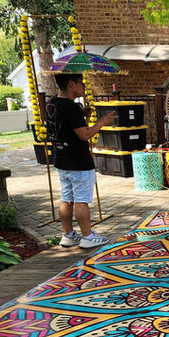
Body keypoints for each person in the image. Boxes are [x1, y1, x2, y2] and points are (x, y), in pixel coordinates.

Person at [48, 73, 117, 248]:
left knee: (66, 197)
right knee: (80, 200)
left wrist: (81, 114)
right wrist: (102, 121)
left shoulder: (52, 103)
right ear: (71, 84)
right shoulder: (70, 107)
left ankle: (68, 234)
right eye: (81, 83)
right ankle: (87, 237)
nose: (84, 86)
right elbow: (85, 135)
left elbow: (65, 126)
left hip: (61, 158)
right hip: (78, 161)